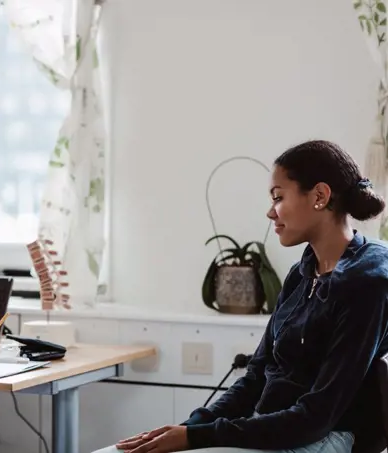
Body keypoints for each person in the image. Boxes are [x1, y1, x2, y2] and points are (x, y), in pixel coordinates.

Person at [94, 139, 388, 453]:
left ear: (319, 196)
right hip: (272, 425)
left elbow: (317, 416)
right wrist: (188, 428)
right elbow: (256, 377)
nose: (270, 212)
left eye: (278, 197)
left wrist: (198, 437)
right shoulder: (301, 274)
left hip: (329, 435)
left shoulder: (367, 281)